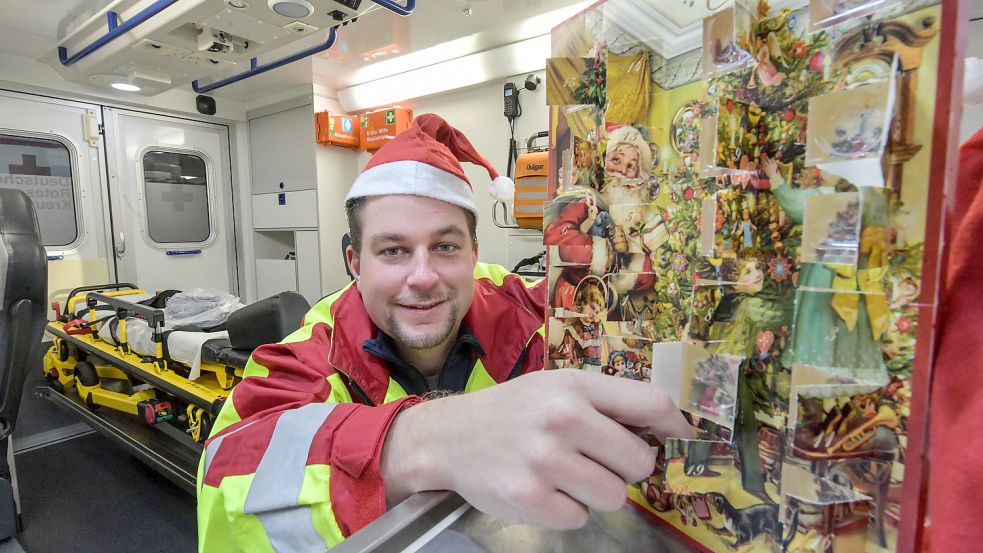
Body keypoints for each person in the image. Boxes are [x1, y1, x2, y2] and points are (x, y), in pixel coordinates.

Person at [196, 114, 694, 552]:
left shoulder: (531, 312)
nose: (423, 276)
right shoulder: (313, 352)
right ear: (355, 263)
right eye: (392, 250)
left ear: (474, 254)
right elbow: (224, 479)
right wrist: (423, 441)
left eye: (445, 247)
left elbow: (624, 298)